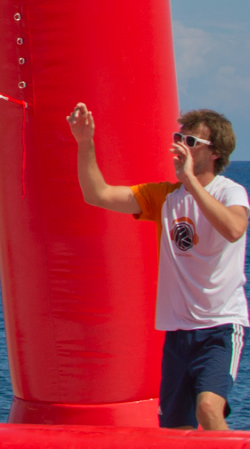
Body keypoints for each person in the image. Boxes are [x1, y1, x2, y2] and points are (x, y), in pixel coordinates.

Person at [69, 103, 248, 430]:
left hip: (221, 326)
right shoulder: (164, 197)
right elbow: (98, 194)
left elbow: (234, 229)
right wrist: (85, 143)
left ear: (216, 154)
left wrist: (190, 183)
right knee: (174, 432)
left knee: (208, 409)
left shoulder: (230, 192)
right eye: (179, 138)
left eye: (191, 142)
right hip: (178, 333)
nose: (180, 147)